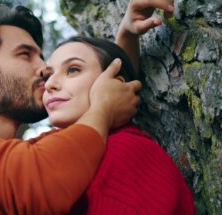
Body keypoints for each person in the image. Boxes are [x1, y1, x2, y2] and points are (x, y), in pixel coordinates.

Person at [0, 0, 176, 213]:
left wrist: (121, 48)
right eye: (25, 55)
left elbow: (81, 142)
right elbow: (42, 172)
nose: (44, 70)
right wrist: (101, 109)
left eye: (50, 64)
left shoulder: (39, 153)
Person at [42, 36, 195, 214]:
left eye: (73, 69)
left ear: (115, 85)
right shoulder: (60, 153)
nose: (49, 84)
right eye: (47, 75)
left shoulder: (124, 152)